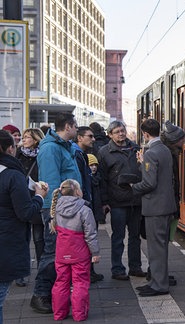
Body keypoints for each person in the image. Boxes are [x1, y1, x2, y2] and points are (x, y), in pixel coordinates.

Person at [31, 112, 82, 314]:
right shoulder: (52, 149)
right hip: (58, 210)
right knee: (52, 252)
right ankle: (40, 294)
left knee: (59, 253)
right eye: (76, 126)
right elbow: (52, 184)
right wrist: (56, 213)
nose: (77, 129)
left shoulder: (62, 146)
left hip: (64, 209)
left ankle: (52, 294)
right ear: (68, 126)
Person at [0, 129, 47, 323]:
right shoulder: (12, 175)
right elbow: (26, 212)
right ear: (10, 149)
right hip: (6, 243)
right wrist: (39, 197)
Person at [131, 119, 176, 297]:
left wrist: (133, 188)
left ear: (146, 134)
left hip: (155, 206)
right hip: (166, 205)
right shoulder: (164, 149)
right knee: (161, 247)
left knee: (156, 248)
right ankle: (159, 280)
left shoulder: (151, 152)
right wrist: (143, 165)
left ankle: (158, 285)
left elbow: (149, 183)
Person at [98, 120, 146, 281]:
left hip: (136, 200)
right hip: (117, 201)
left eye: (123, 130)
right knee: (118, 237)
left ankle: (135, 267)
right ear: (110, 135)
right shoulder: (104, 152)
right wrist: (105, 201)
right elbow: (102, 179)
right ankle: (117, 269)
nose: (121, 134)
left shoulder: (135, 148)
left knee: (135, 237)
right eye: (117, 131)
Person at [49, 179, 100, 321]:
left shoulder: (56, 208)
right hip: (80, 254)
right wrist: (95, 253)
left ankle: (59, 313)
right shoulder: (84, 210)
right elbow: (90, 234)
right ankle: (79, 314)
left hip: (61, 252)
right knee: (80, 283)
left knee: (60, 282)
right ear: (78, 192)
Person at [14, 128, 45, 288]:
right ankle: (21, 273)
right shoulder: (17, 155)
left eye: (27, 137)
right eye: (24, 137)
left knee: (39, 238)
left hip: (37, 199)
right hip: (20, 199)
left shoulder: (43, 155)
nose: (24, 140)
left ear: (36, 139)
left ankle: (42, 271)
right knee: (22, 239)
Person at [72, 126, 104, 283]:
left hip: (87, 204)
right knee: (85, 239)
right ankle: (84, 273)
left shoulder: (82, 155)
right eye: (90, 136)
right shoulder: (77, 155)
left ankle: (88, 272)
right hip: (82, 205)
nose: (93, 139)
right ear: (79, 137)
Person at [87, 154, 105, 226]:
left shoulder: (99, 177)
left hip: (97, 209)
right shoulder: (87, 180)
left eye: (95, 165)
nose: (94, 167)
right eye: (91, 165)